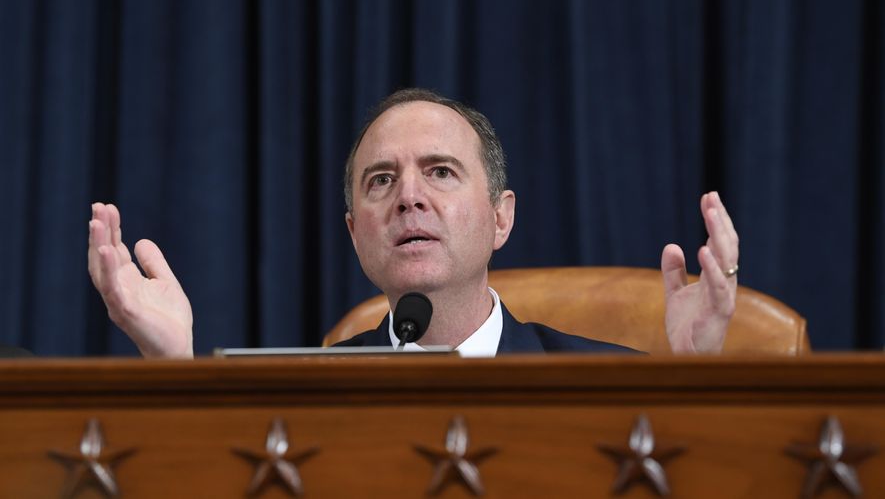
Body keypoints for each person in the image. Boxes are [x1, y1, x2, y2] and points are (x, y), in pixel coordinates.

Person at [88, 88, 739, 358]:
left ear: (500, 218)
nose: (408, 198)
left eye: (441, 172)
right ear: (353, 232)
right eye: (380, 181)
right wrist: (169, 363)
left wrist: (690, 380)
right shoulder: (303, 393)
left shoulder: (606, 383)